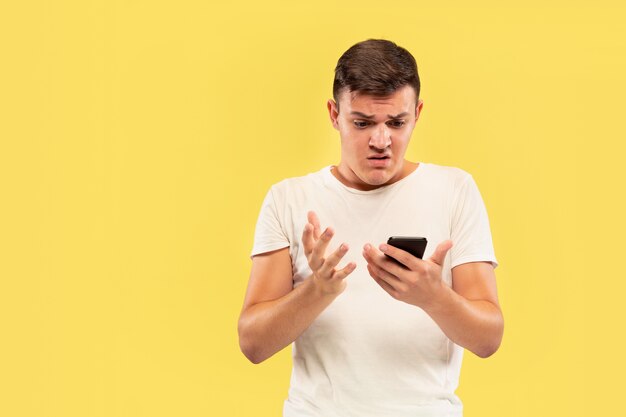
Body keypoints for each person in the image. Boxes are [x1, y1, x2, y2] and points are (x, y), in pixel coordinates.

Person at [238, 39, 503, 417]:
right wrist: (318, 290)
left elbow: (488, 339)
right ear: (334, 114)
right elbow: (253, 345)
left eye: (397, 123)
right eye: (361, 123)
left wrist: (433, 297)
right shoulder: (289, 199)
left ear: (418, 113)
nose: (381, 141)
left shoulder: (455, 190)